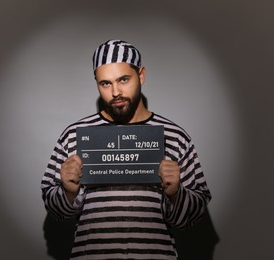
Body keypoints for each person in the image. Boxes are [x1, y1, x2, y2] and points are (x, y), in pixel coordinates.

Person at [41, 39, 211, 259]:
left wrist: (175, 194)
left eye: (123, 79)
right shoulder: (74, 134)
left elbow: (194, 215)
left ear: (141, 75)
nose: (115, 92)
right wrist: (68, 192)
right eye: (105, 83)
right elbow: (55, 209)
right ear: (96, 83)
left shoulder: (174, 135)